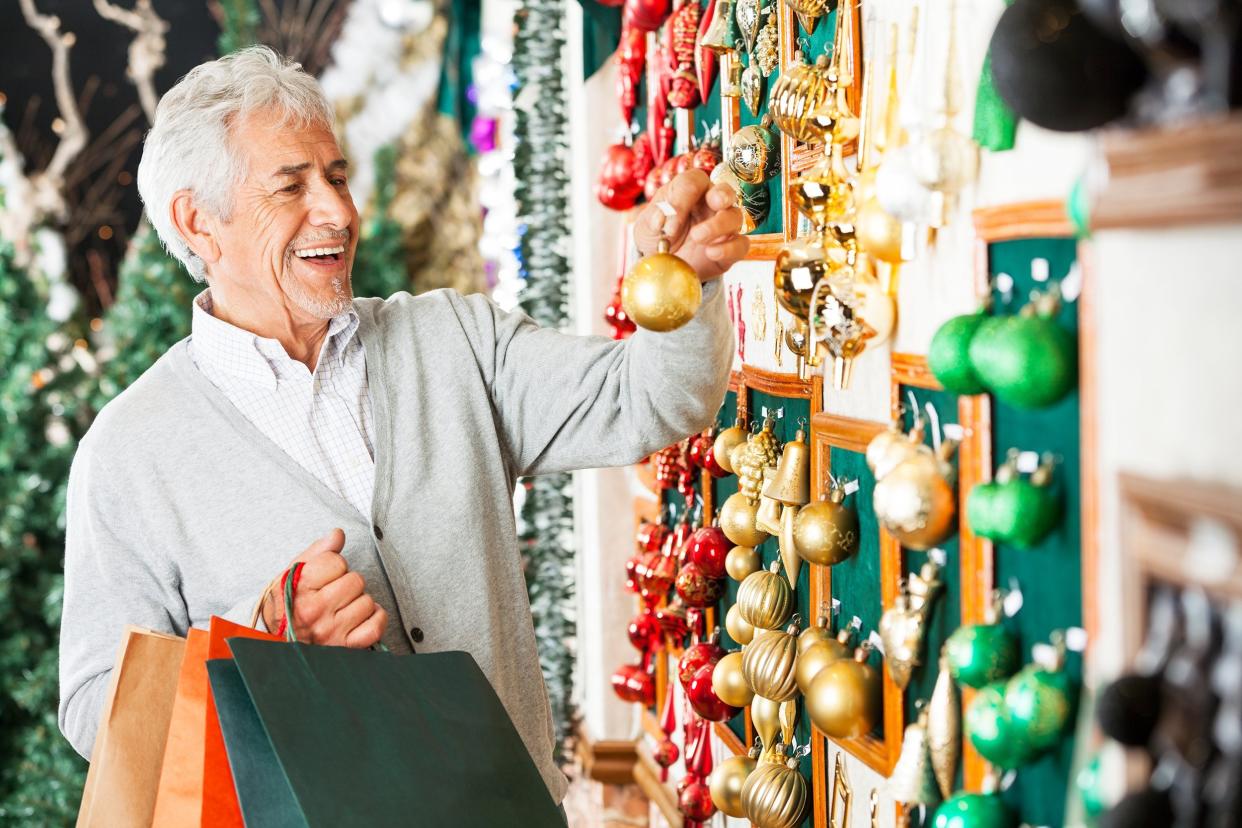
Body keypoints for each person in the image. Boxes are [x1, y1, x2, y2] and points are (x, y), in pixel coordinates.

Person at [57, 46, 747, 805]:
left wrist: (686, 283)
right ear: (198, 222)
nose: (340, 212)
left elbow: (647, 401)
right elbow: (98, 709)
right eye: (292, 186)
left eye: (339, 176)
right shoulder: (129, 450)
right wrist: (262, 645)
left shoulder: (453, 340)